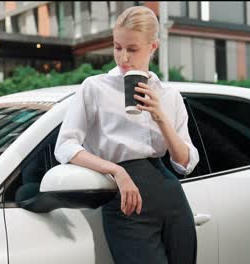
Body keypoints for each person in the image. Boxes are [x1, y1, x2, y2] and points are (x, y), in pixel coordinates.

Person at [54, 6, 199, 264]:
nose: (123, 58)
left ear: (153, 47)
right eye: (117, 47)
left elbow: (185, 163)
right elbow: (65, 146)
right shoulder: (94, 88)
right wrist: (117, 172)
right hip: (125, 201)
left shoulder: (168, 95)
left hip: (171, 199)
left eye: (132, 49)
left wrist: (160, 116)